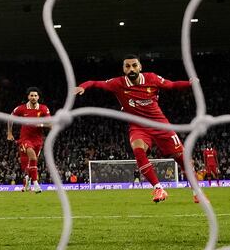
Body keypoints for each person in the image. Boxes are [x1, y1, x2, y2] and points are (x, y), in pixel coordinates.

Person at [74, 55, 199, 204]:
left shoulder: (151, 78)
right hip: (138, 126)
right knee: (138, 150)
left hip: (160, 124)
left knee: (182, 159)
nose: (131, 69)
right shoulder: (118, 83)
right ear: (123, 69)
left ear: (140, 67)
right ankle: (158, 188)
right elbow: (95, 83)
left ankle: (197, 192)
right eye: (127, 66)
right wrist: (83, 86)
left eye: (134, 65)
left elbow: (171, 85)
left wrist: (189, 83)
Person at [6, 87, 50, 194]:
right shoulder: (21, 108)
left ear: (38, 97)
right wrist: (9, 132)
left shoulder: (44, 109)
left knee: (31, 163)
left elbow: (50, 124)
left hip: (38, 140)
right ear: (28, 97)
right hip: (25, 139)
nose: (33, 97)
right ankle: (36, 184)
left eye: (35, 95)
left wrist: (42, 124)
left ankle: (28, 180)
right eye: (31, 95)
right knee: (32, 157)